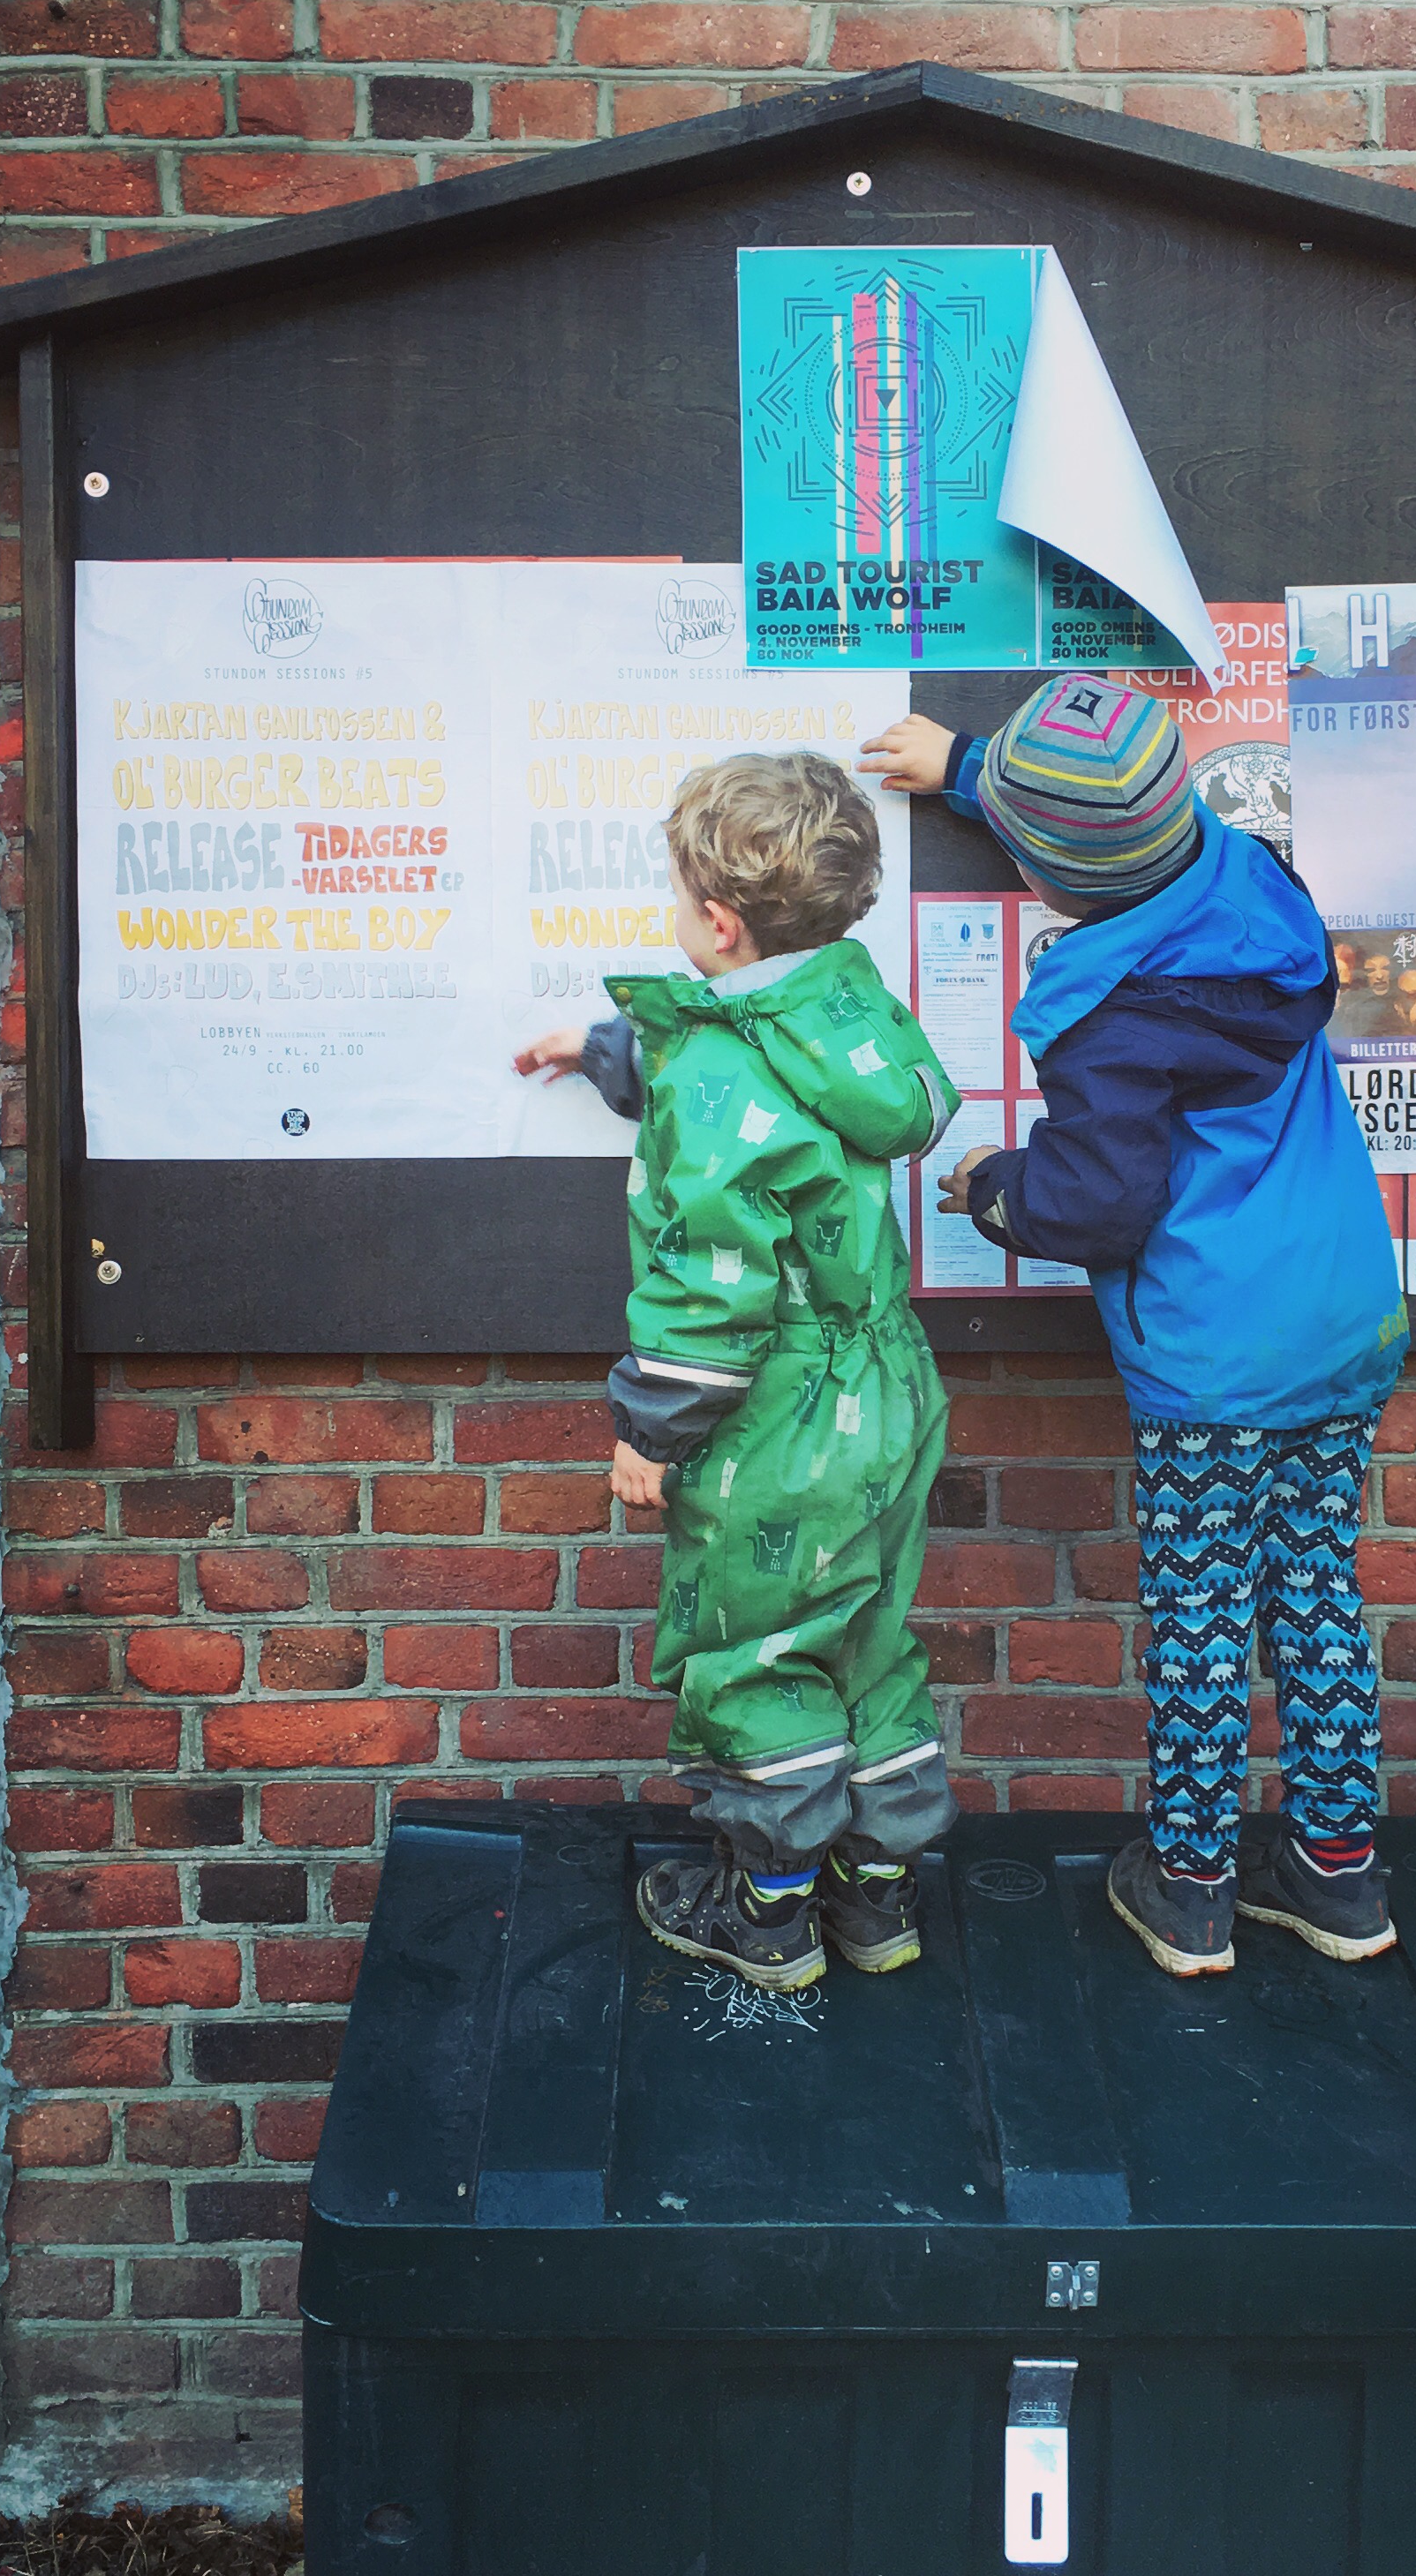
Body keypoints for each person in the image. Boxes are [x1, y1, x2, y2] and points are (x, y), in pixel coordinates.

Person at [862, 678, 1410, 1979]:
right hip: (1343, 1312)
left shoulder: (1115, 1021)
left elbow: (1098, 1205)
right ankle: (1340, 1876)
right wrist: (970, 768)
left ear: (1053, 875)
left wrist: (995, 1185)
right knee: (1316, 1593)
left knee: (1205, 1618)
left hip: (1216, 1359)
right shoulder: (1264, 887)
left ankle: (1192, 1889)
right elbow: (1114, 822)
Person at [515, 752, 958, 1992]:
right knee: (866, 1632)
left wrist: (651, 1431)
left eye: (678, 896)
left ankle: (767, 1911)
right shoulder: (854, 1013)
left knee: (757, 1644)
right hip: (890, 1389)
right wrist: (613, 1051)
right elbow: (772, 1077)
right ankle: (877, 1895)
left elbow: (713, 1276)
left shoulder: (720, 1070)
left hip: (779, 1412)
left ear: (717, 923)